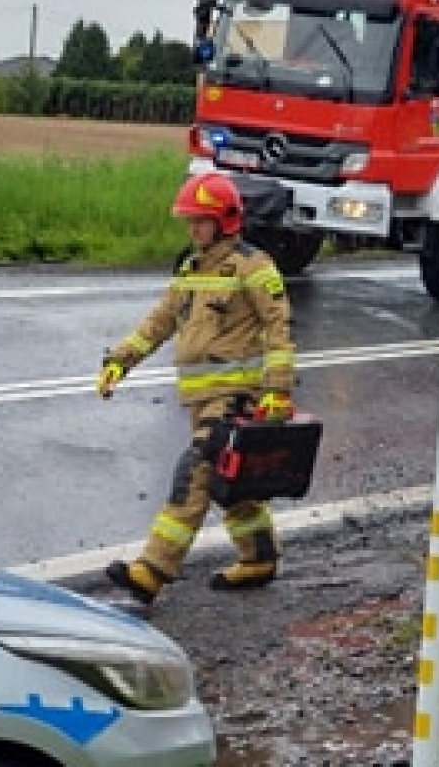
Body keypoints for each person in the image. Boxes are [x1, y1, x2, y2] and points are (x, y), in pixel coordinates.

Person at [97, 172, 298, 605]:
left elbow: (279, 329)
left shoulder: (254, 268)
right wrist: (118, 361)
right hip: (200, 399)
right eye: (189, 221)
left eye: (200, 221)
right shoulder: (191, 270)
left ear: (225, 220)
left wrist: (277, 391)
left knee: (196, 475)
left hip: (234, 398)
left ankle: (152, 571)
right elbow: (159, 323)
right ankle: (260, 555)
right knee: (233, 485)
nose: (193, 229)